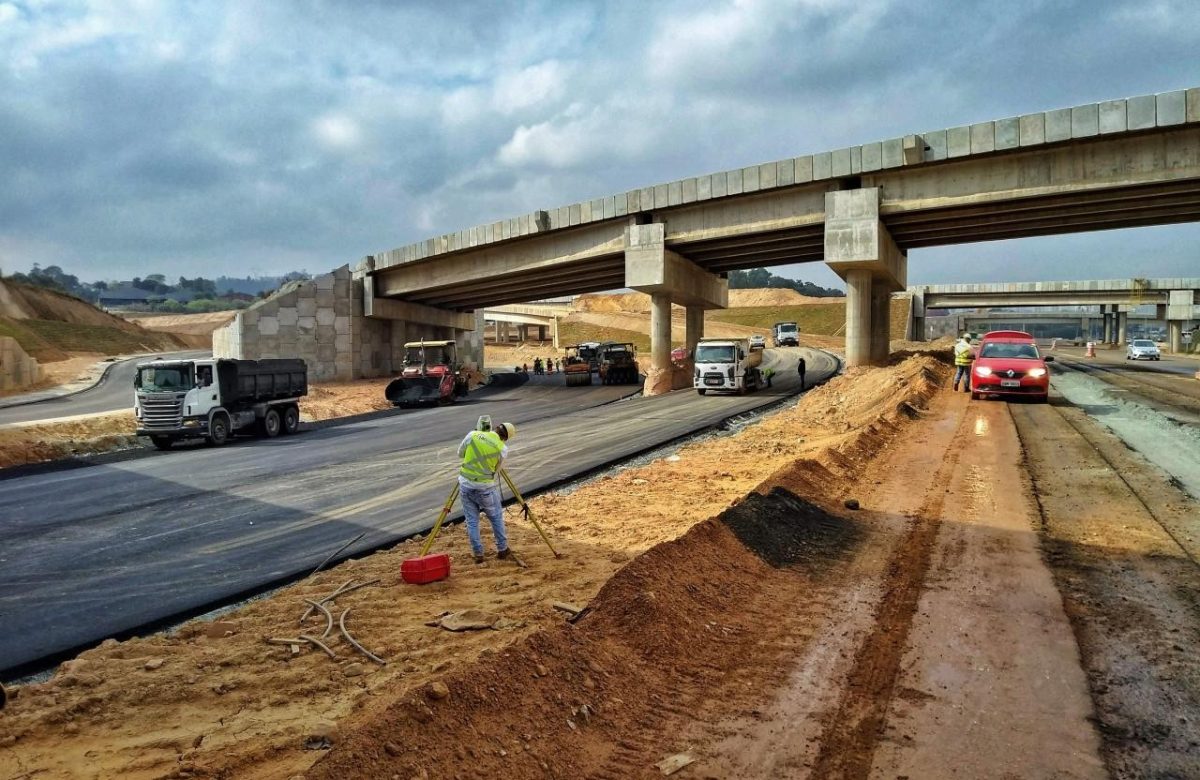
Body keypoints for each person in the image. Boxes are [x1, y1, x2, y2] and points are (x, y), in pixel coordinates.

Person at [456, 417, 518, 564]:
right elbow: (497, 469)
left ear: (496, 428)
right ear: (506, 438)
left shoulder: (473, 435)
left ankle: (478, 553)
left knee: (472, 521)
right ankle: (502, 549)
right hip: (485, 489)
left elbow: (460, 454)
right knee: (496, 518)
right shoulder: (502, 448)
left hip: (465, 485)